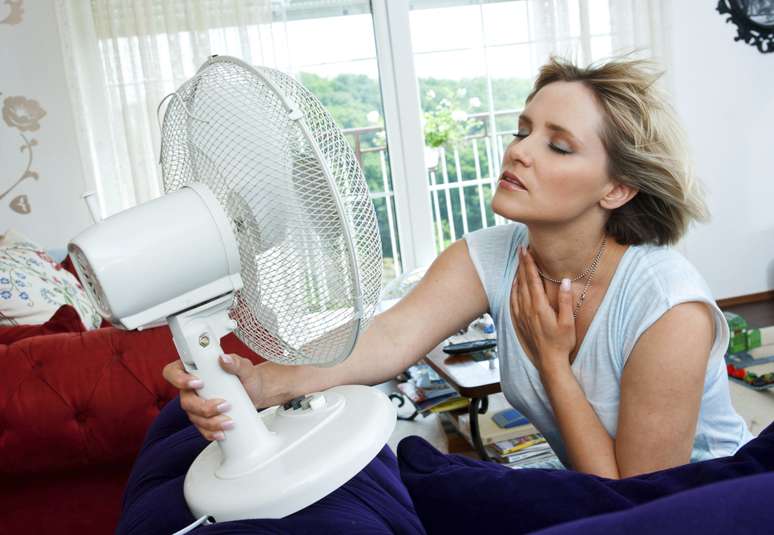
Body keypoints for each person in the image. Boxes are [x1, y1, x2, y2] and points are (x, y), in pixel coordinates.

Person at [163, 55, 752, 479]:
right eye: (523, 131)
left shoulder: (667, 307)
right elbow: (388, 338)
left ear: (618, 189)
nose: (518, 150)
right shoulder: (495, 253)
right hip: (592, 490)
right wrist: (262, 381)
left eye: (558, 144)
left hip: (701, 506)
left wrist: (552, 361)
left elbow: (639, 500)